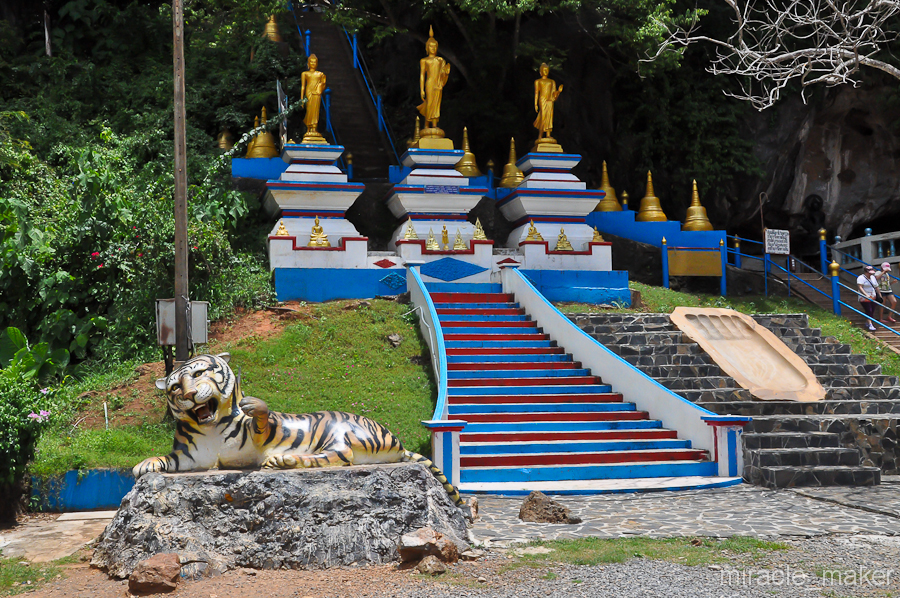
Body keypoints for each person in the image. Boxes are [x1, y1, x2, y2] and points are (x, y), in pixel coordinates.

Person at [418, 27, 450, 130]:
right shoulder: (424, 60)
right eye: (431, 46)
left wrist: (445, 73)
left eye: (435, 46)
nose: (433, 48)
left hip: (438, 84)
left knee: (436, 104)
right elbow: (422, 75)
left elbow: (443, 73)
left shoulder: (440, 60)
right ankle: (427, 125)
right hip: (430, 83)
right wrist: (422, 89)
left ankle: (435, 125)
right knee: (430, 102)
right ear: (427, 48)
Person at [533, 63, 563, 140]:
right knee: (543, 116)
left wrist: (558, 92)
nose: (545, 71)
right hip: (542, 99)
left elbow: (554, 94)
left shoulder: (552, 81)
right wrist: (535, 104)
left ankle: (548, 134)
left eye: (547, 70)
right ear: (540, 72)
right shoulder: (538, 81)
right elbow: (536, 93)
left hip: (550, 100)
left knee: (549, 117)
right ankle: (540, 135)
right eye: (544, 70)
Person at [300, 54, 326, 139]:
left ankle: (314, 128)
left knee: (315, 110)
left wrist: (320, 87)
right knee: (309, 110)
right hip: (309, 93)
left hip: (316, 94)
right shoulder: (305, 74)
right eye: (311, 62)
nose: (313, 64)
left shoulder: (320, 74)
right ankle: (308, 129)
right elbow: (303, 86)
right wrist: (301, 99)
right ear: (308, 63)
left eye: (315, 62)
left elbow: (323, 84)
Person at [857, 265, 881, 331]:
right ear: (866, 272)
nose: (870, 274)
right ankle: (870, 324)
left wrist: (879, 294)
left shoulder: (873, 277)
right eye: (869, 272)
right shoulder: (861, 278)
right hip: (864, 297)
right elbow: (860, 287)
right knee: (869, 310)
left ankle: (867, 322)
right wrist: (865, 294)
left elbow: (876, 286)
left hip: (873, 296)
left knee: (872, 310)